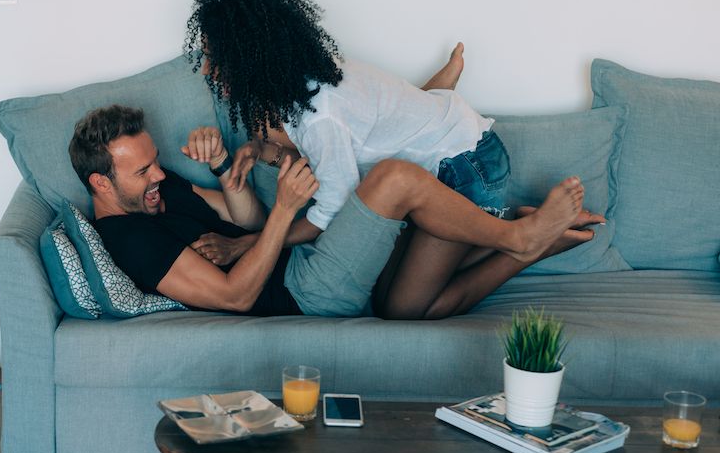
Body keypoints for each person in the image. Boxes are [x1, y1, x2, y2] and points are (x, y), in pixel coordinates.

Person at [68, 105, 601, 319]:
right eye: (143, 172)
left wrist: (231, 172)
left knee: (415, 290)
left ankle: (525, 241)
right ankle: (521, 235)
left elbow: (244, 224)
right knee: (393, 178)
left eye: (156, 162)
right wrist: (287, 209)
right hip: (307, 290)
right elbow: (235, 295)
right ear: (100, 182)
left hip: (314, 257)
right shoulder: (128, 237)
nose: (159, 175)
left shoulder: (161, 193)